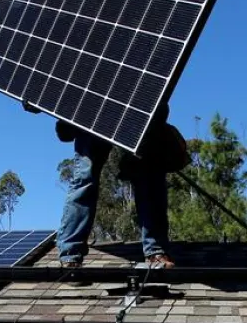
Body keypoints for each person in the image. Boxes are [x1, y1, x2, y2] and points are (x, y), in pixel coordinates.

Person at [30, 101, 186, 269]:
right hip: (90, 109)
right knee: (85, 179)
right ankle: (70, 254)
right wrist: (34, 95)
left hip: (137, 107)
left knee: (148, 175)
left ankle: (156, 251)